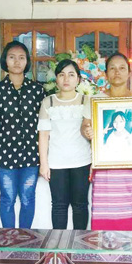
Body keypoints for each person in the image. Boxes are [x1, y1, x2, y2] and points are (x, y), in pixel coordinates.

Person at [81, 52, 132, 231]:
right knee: (102, 212)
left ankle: (129, 256)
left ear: (129, 73)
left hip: (130, 169)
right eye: (112, 68)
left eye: (122, 68)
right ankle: (100, 255)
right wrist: (88, 131)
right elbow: (84, 127)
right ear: (106, 74)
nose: (117, 72)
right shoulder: (94, 100)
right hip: (103, 168)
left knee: (128, 213)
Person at [0, 41, 45, 228]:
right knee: (7, 197)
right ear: (5, 60)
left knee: (28, 197)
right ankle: (9, 238)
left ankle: (25, 237)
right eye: (12, 57)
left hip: (30, 153)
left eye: (22, 57)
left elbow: (42, 124)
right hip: (5, 153)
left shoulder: (37, 91)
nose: (17, 62)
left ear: (27, 61)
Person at [38, 59, 92, 230]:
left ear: (78, 80)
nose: (66, 79)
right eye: (61, 75)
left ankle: (79, 247)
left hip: (82, 161)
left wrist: (95, 162)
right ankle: (59, 247)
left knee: (80, 205)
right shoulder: (48, 102)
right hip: (56, 162)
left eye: (71, 75)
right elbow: (43, 135)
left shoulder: (87, 101)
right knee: (59, 206)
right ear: (56, 79)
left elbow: (95, 134)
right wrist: (44, 164)